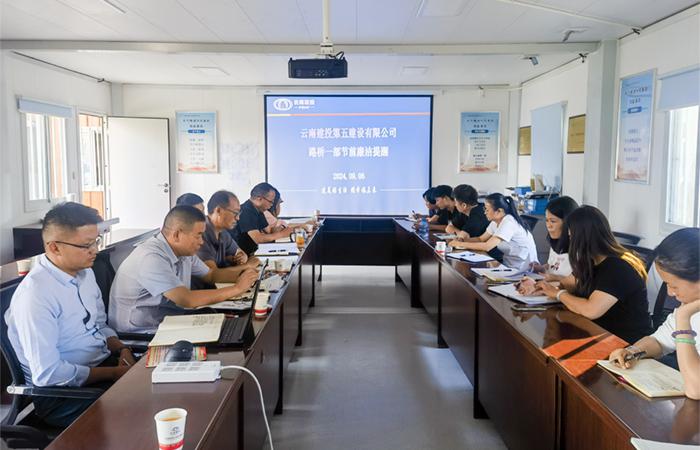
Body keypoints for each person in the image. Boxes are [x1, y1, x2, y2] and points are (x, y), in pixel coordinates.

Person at [4, 203, 134, 427]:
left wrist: (122, 349)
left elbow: (99, 326)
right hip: (63, 395)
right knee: (140, 411)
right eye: (86, 245)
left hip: (103, 367)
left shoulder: (85, 274)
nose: (95, 250)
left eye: (96, 241)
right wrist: (113, 373)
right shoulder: (35, 295)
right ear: (55, 247)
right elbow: (48, 374)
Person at [109, 205, 259, 333]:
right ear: (176, 235)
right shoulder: (151, 257)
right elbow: (186, 299)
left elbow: (212, 275)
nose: (201, 242)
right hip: (142, 334)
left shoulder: (184, 252)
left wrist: (246, 275)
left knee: (232, 327)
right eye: (198, 235)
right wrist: (238, 288)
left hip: (169, 322)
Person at [535, 206, 652, 344]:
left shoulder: (618, 267)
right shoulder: (590, 260)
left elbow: (591, 310)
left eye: (571, 236)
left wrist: (558, 293)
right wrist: (540, 288)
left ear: (582, 237)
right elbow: (568, 283)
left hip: (625, 343)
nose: (570, 241)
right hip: (596, 332)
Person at [608, 228, 700, 399]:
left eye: (673, 285)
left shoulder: (686, 311)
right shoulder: (690, 305)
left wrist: (683, 318)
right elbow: (659, 341)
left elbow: (696, 389)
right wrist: (633, 351)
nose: (670, 293)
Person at [448, 193, 538, 270]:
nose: (485, 212)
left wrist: (460, 244)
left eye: (487, 209)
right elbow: (480, 239)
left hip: (524, 269)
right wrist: (462, 240)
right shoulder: (496, 222)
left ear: (499, 211)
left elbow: (487, 246)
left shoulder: (509, 222)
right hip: (508, 266)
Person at [517, 196, 578, 295]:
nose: (548, 225)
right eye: (547, 220)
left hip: (565, 294)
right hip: (551, 290)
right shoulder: (555, 243)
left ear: (568, 223)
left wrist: (556, 278)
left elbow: (579, 283)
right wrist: (541, 268)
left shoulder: (579, 249)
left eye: (553, 221)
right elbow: (552, 266)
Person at [199, 190, 259, 271]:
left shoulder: (223, 232)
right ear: (218, 210)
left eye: (239, 213)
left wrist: (240, 257)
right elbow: (212, 274)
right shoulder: (200, 233)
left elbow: (240, 253)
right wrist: (248, 265)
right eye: (235, 213)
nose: (238, 218)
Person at [231, 183, 296, 254]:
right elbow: (258, 239)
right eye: (271, 202)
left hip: (256, 251)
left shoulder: (259, 209)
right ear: (259, 199)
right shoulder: (246, 211)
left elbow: (269, 231)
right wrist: (282, 234)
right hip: (243, 255)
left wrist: (283, 229)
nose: (272, 205)